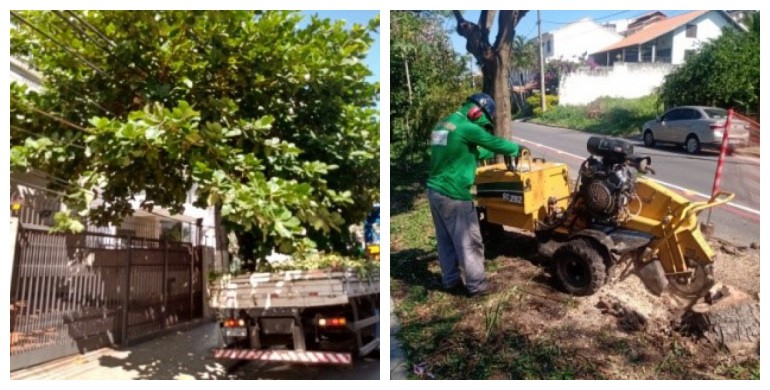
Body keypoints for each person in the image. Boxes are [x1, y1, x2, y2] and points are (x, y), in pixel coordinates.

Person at [426, 93, 526, 297]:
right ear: (476, 112)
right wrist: (516, 149)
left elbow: (467, 151)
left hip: (434, 191)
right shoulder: (467, 127)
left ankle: (450, 281)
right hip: (453, 194)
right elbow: (492, 142)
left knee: (445, 240)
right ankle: (477, 286)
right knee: (469, 241)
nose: (482, 124)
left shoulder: (443, 124)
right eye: (483, 119)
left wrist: (493, 153)